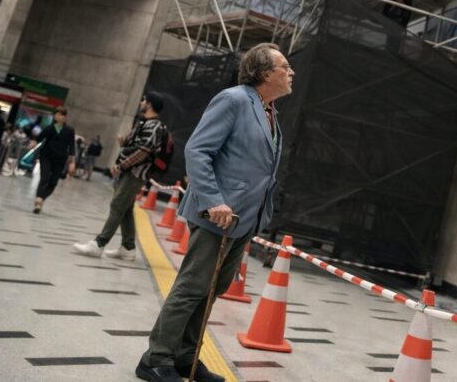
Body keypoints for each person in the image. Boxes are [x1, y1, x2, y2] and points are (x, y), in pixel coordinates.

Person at [135, 43, 294, 382]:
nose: (291, 72)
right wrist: (213, 200)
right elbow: (198, 150)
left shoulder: (269, 110)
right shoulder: (234, 100)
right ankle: (155, 358)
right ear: (266, 73)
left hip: (244, 218)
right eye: (285, 67)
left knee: (212, 288)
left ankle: (185, 357)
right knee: (193, 286)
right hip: (218, 214)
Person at [72, 95, 168, 261]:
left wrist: (121, 166)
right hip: (130, 172)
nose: (141, 103)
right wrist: (124, 142)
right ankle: (128, 247)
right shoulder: (144, 123)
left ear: (150, 104)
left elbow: (144, 151)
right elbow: (135, 147)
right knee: (125, 209)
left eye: (144, 100)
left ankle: (99, 244)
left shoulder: (154, 126)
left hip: (135, 174)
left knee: (117, 205)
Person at [33, 107, 76, 213]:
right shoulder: (50, 128)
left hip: (60, 159)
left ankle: (42, 198)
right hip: (46, 156)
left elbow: (72, 146)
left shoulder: (69, 130)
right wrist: (33, 142)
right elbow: (39, 137)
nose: (61, 117)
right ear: (55, 116)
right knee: (44, 177)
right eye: (59, 114)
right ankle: (38, 201)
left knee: (53, 182)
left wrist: (72, 162)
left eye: (63, 115)